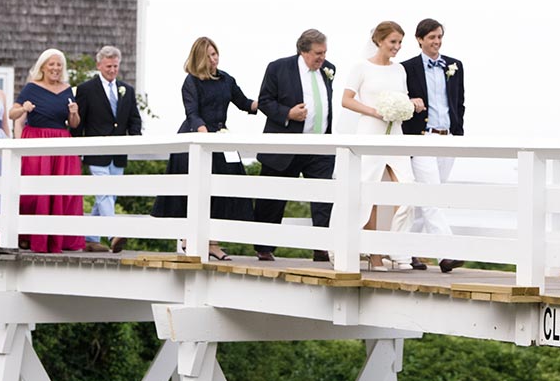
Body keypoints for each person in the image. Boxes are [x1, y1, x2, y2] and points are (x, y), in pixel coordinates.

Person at [152, 37, 257, 261]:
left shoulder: (226, 79)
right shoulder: (191, 82)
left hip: (220, 139)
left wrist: (268, 102)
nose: (214, 58)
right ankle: (188, 238)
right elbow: (193, 113)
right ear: (200, 57)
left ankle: (213, 242)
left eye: (215, 53)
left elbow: (245, 103)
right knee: (190, 189)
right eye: (209, 55)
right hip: (195, 137)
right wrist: (204, 135)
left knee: (224, 187)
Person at [340, 21, 424, 271]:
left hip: (395, 133)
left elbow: (402, 99)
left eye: (400, 43)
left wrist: (411, 105)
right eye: (393, 42)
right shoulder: (361, 67)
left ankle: (398, 249)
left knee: (407, 189)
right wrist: (374, 111)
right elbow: (346, 100)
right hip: (370, 133)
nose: (397, 47)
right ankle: (374, 255)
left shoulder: (399, 70)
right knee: (370, 194)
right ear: (379, 41)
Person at [254, 29, 336, 263]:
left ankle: (322, 247)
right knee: (272, 197)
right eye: (317, 54)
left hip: (320, 146)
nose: (322, 58)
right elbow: (265, 101)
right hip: (285, 145)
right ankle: (264, 246)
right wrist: (288, 113)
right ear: (303, 50)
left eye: (324, 52)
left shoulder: (329, 69)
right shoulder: (278, 68)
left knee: (323, 197)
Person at [402, 17, 466, 273]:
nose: (436, 42)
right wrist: (410, 102)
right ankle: (447, 254)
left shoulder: (455, 66)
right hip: (421, 137)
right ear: (420, 39)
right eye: (431, 37)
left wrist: (458, 135)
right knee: (431, 195)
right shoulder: (407, 68)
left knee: (425, 199)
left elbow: (459, 102)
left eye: (439, 37)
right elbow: (399, 99)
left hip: (447, 138)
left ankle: (408, 252)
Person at [8, 49, 84, 253]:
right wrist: (24, 108)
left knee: (62, 192)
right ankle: (25, 235)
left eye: (59, 64)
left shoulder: (67, 89)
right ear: (42, 66)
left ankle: (59, 238)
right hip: (36, 140)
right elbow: (12, 113)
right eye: (52, 64)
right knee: (32, 191)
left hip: (61, 142)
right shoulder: (32, 88)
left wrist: (74, 114)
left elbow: (73, 124)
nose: (56, 68)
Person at [74, 45, 142, 254]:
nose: (112, 70)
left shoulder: (127, 90)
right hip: (96, 151)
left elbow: (134, 119)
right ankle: (113, 234)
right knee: (104, 192)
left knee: (108, 196)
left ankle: (91, 238)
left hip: (118, 153)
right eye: (108, 66)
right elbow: (79, 122)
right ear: (99, 65)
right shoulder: (86, 89)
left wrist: (136, 139)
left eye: (115, 66)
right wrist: (77, 150)